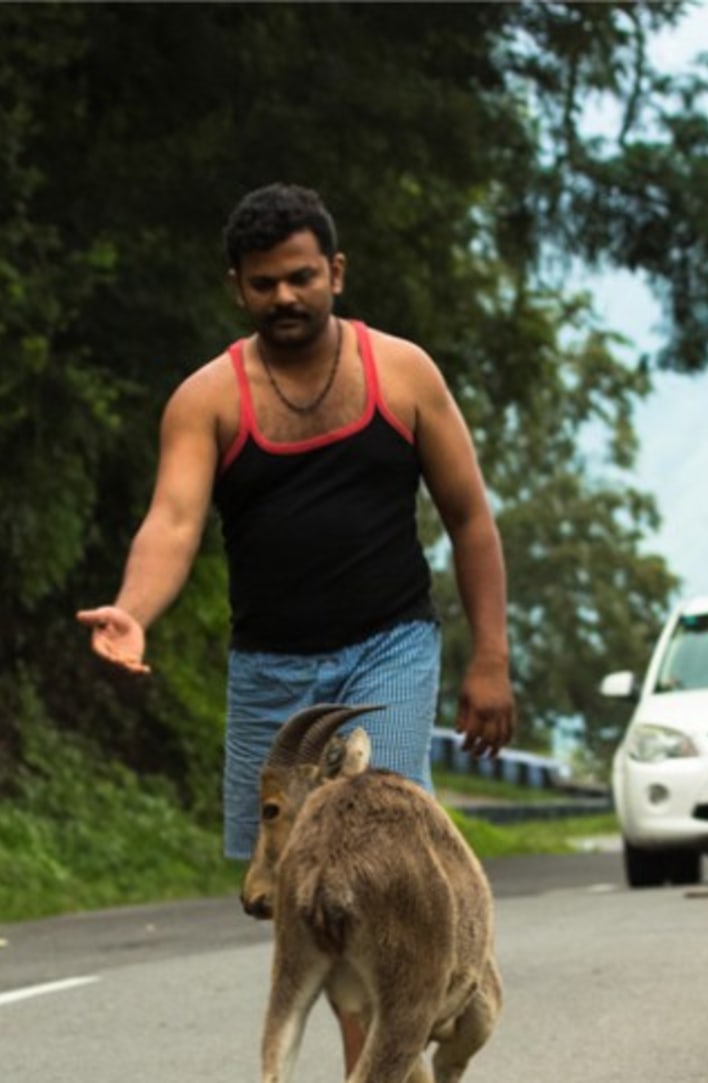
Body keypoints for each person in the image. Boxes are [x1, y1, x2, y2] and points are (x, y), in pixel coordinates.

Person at [77, 181, 515, 855]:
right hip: (269, 664)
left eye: (301, 277)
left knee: (384, 839)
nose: (283, 296)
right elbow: (172, 521)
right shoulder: (206, 399)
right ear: (237, 288)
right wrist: (133, 612)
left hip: (390, 644)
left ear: (335, 273)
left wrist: (490, 658)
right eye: (264, 283)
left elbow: (470, 519)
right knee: (283, 871)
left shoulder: (404, 374)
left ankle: (416, 964)